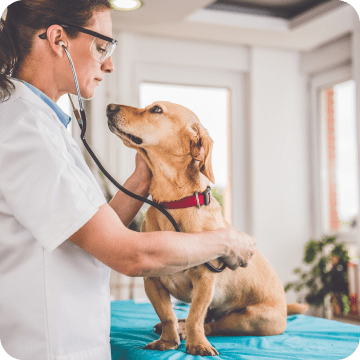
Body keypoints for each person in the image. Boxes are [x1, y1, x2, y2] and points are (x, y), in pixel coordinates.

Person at [0, 1, 257, 359]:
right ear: (58, 39)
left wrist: (140, 180)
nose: (109, 64)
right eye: (101, 47)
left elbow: (86, 233)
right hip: (49, 346)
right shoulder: (25, 131)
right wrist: (226, 241)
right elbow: (129, 255)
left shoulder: (43, 126)